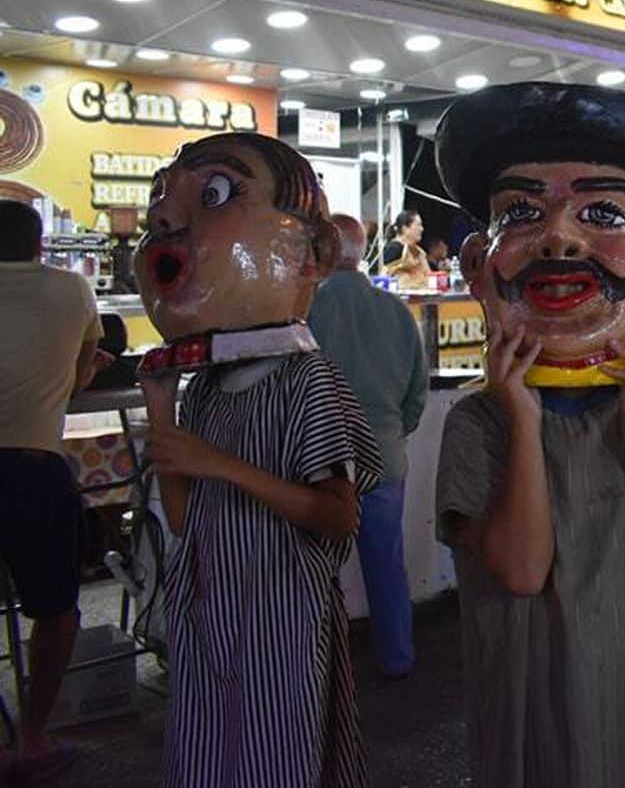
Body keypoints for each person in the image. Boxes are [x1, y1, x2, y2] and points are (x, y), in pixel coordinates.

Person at [431, 81, 625, 787]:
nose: (560, 236)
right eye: (523, 212)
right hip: (538, 719)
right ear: (480, 267)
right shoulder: (479, 422)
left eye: (602, 212)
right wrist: (524, 421)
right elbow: (521, 569)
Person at [133, 133, 381, 787]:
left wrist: (216, 461)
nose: (163, 217)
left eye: (213, 193)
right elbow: (187, 520)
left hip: (281, 620)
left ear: (313, 252)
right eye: (160, 197)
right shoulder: (207, 388)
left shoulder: (308, 379)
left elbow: (336, 513)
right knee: (210, 752)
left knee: (279, 756)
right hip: (209, 608)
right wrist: (162, 411)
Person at [0, 201, 107, 784]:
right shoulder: (73, 292)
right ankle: (34, 738)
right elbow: (78, 377)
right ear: (40, 244)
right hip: (31, 468)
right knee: (55, 610)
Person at [308, 213, 431, 678]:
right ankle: (396, 657)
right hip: (383, 456)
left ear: (321, 251)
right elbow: (416, 392)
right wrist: (394, 432)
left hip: (320, 460)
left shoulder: (306, 310)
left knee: (315, 568)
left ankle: (316, 664)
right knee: (385, 564)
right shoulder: (396, 311)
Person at [382, 209, 431, 290]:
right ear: (405, 228)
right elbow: (385, 277)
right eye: (418, 225)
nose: (422, 229)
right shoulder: (394, 249)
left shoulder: (419, 251)